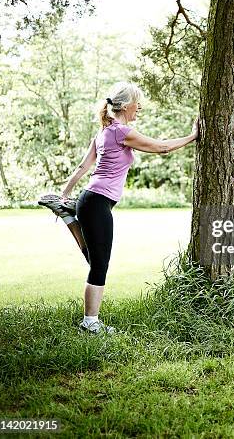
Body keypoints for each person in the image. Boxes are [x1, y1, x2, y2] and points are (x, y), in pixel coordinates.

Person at [39, 81, 198, 334]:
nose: (140, 107)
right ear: (125, 105)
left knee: (95, 259)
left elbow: (83, 167)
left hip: (89, 199)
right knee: (99, 264)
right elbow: (162, 147)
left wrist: (66, 192)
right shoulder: (121, 132)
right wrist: (193, 136)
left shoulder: (103, 132)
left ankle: (69, 216)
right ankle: (90, 322)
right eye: (138, 102)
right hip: (97, 202)